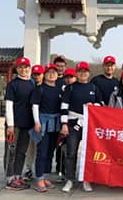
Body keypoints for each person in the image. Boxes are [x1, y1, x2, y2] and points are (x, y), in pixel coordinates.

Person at [60, 62, 101, 193]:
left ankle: (86, 179)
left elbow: (101, 104)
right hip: (73, 125)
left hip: (89, 125)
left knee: (88, 153)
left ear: (89, 73)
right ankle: (70, 179)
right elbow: (64, 107)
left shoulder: (94, 88)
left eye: (85, 71)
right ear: (76, 73)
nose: (83, 73)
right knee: (71, 153)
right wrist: (64, 124)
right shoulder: (70, 88)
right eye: (80, 71)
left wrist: (93, 105)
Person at [3, 57, 34, 190]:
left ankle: (17, 175)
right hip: (14, 125)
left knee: (22, 151)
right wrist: (10, 125)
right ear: (17, 69)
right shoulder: (13, 84)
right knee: (11, 151)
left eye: (26, 67)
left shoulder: (32, 83)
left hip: (27, 124)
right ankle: (9, 178)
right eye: (20, 67)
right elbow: (9, 105)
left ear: (29, 68)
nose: (23, 70)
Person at [31, 64, 61, 192]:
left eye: (54, 72)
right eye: (48, 72)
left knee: (50, 152)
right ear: (44, 74)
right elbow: (35, 106)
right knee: (42, 152)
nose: (51, 74)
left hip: (55, 124)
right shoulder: (39, 89)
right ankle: (39, 178)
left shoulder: (60, 89)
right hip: (43, 123)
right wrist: (37, 122)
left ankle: (46, 176)